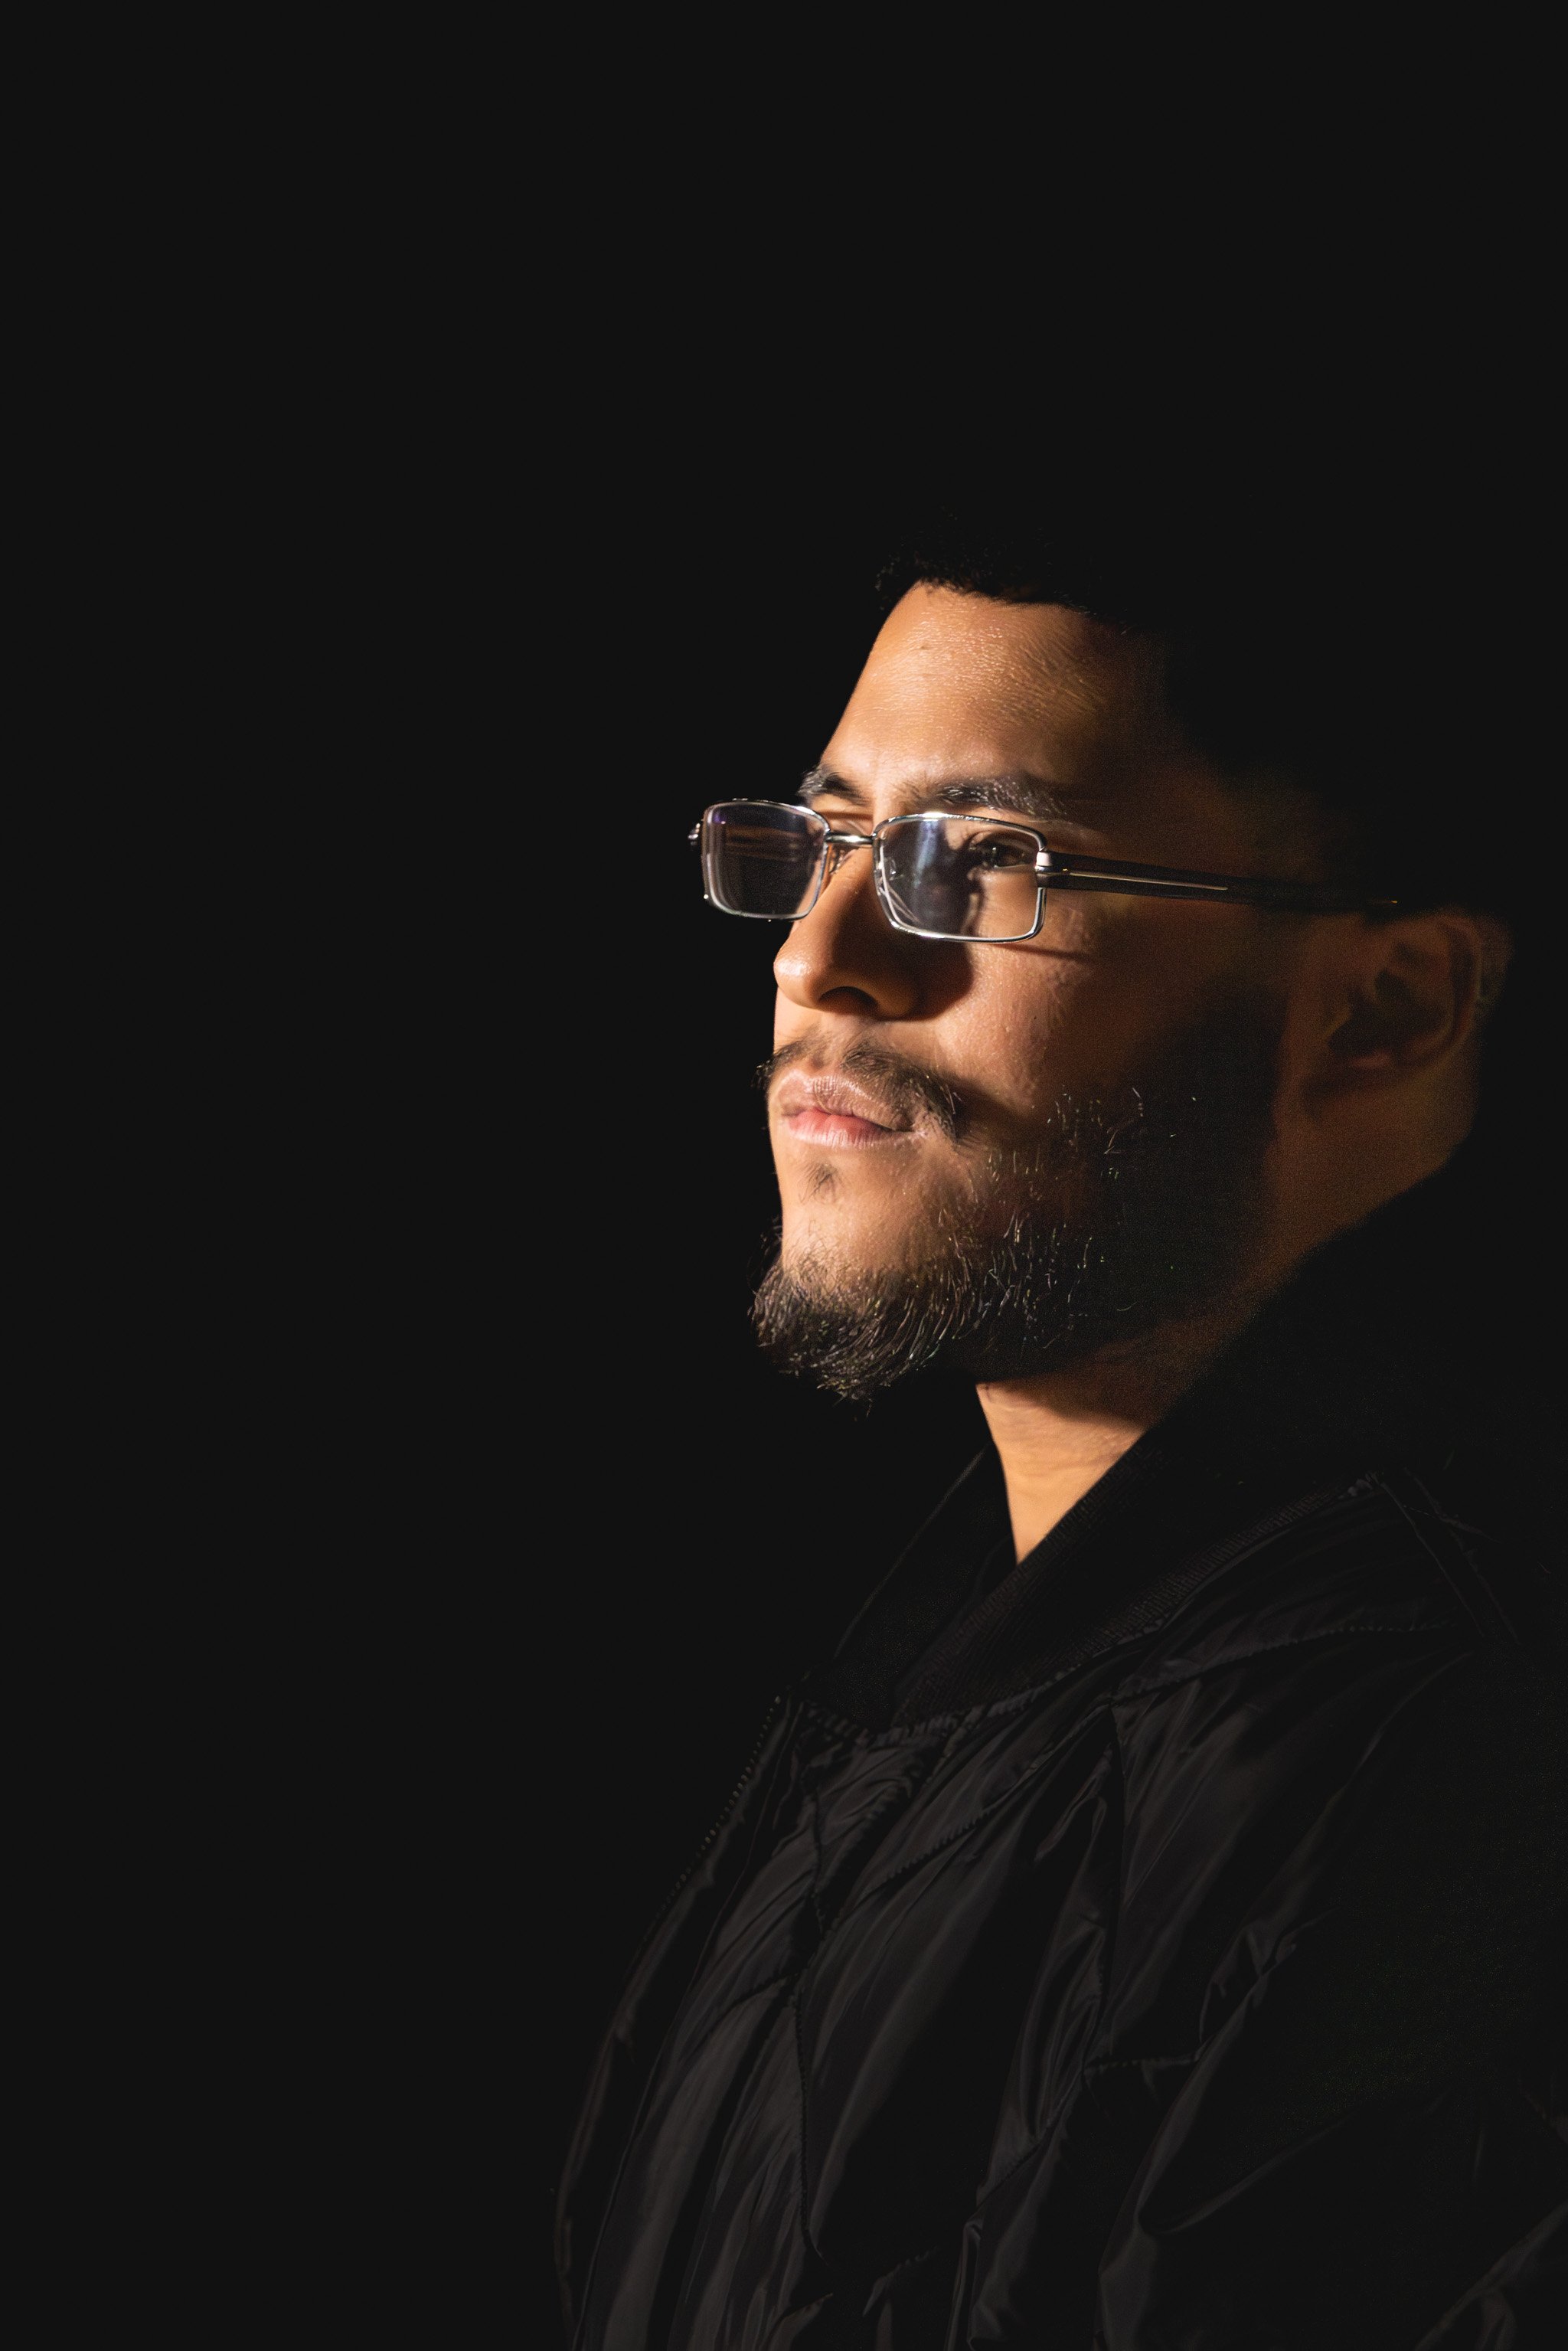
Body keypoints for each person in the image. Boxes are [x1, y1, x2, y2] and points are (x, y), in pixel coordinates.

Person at [557, 523, 1565, 2346]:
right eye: (830, 838)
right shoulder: (959, 1672)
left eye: (979, 858)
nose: (820, 959)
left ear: (1389, 1003)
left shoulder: (1454, 1756)